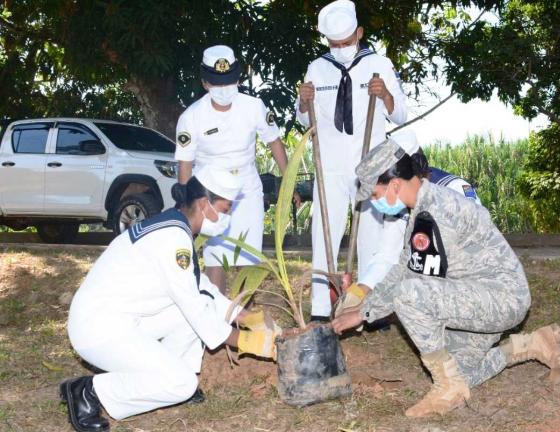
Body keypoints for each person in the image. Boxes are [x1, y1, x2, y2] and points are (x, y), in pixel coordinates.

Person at [332, 139, 560, 417]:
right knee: (463, 373)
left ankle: (446, 386)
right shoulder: (424, 207)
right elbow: (404, 265)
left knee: (409, 295)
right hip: (478, 297)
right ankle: (532, 344)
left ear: (395, 185)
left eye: (374, 194)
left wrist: (363, 313)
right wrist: (363, 308)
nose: (374, 202)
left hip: (501, 299)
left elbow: (410, 281)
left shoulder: (434, 213)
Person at [60, 166, 280, 432]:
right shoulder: (173, 240)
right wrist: (247, 341)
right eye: (225, 209)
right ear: (203, 204)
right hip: (98, 330)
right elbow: (196, 308)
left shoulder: (175, 225)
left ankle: (170, 377)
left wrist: (243, 316)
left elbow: (200, 287)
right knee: (181, 382)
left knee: (188, 317)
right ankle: (88, 391)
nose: (227, 217)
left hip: (120, 318)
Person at [296, 0, 408, 321]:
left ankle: (370, 308)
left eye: (347, 42)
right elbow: (304, 120)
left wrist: (385, 94)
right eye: (335, 44)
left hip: (370, 162)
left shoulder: (380, 64)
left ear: (359, 33)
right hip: (329, 163)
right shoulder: (317, 68)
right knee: (324, 232)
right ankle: (320, 308)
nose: (342, 49)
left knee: (372, 236)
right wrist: (304, 102)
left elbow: (400, 113)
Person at [175, 44, 300, 293]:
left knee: (248, 261)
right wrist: (186, 205)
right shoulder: (192, 116)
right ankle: (218, 320)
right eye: (217, 83)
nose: (224, 89)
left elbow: (275, 142)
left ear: (238, 79)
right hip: (210, 197)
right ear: (205, 83)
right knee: (216, 261)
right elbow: (185, 163)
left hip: (247, 191)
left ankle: (244, 320)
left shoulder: (253, 106)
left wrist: (289, 183)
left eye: (229, 81)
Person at [334, 130, 482, 317]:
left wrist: (369, 309)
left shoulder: (455, 191)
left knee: (409, 295)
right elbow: (387, 256)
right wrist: (358, 293)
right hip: (438, 288)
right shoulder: (400, 204)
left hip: (471, 287)